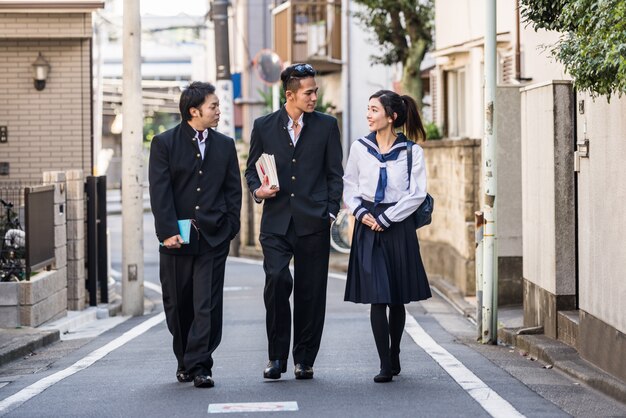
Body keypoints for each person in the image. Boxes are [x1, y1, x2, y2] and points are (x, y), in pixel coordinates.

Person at [245, 63, 343, 380]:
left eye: (315, 91)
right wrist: (258, 190)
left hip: (313, 220)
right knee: (276, 282)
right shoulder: (263, 126)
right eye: (309, 92)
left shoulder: (327, 126)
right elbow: (250, 170)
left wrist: (329, 211)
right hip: (276, 221)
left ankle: (304, 359)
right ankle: (276, 358)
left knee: (310, 292)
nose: (315, 96)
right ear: (290, 94)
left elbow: (334, 175)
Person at [149, 81, 242, 388]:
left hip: (214, 238)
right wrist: (167, 232)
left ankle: (201, 365)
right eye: (213, 106)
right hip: (177, 239)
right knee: (178, 305)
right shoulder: (164, 143)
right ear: (193, 111)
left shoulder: (225, 145)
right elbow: (160, 192)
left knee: (207, 304)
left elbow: (233, 191)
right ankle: (184, 360)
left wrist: (230, 227)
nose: (218, 111)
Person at [343, 90, 432, 383]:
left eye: (374, 110)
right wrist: (359, 211)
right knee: (377, 297)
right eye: (367, 109)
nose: (368, 115)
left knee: (396, 298)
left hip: (398, 225)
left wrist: (387, 218)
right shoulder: (359, 147)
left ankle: (395, 354)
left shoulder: (411, 151)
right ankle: (384, 363)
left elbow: (416, 194)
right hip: (368, 225)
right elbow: (350, 185)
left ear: (391, 117)